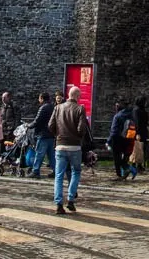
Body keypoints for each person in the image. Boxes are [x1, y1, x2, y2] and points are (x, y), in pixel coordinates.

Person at [49, 86, 92, 215]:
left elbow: (50, 125)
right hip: (75, 146)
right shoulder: (80, 109)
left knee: (59, 175)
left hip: (60, 145)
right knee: (76, 172)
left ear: (68, 95)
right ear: (77, 96)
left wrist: (58, 135)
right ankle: (71, 199)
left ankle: (58, 203)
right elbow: (81, 129)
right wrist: (78, 137)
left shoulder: (57, 108)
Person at [107, 99, 136, 180]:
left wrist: (109, 141)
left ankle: (120, 174)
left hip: (117, 139)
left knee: (117, 158)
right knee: (123, 158)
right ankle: (128, 170)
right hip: (128, 138)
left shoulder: (118, 116)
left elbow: (114, 130)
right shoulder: (131, 114)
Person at [30, 92, 56, 178]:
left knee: (39, 153)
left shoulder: (43, 108)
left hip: (43, 134)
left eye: (39, 98)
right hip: (51, 134)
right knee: (51, 155)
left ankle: (35, 171)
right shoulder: (53, 107)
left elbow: (37, 121)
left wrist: (29, 126)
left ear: (41, 98)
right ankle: (56, 171)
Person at [133, 96, 149, 173]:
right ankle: (135, 165)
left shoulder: (141, 110)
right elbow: (137, 123)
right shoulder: (136, 110)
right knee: (137, 149)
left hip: (143, 132)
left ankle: (139, 165)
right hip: (139, 132)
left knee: (141, 149)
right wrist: (137, 133)